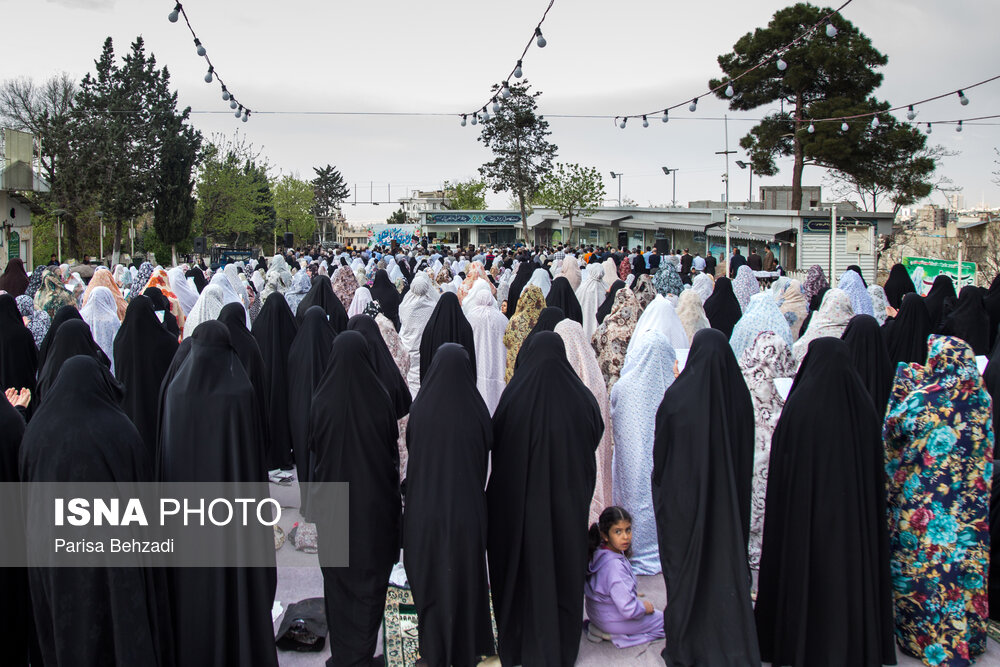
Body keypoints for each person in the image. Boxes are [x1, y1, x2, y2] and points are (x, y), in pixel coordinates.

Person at [756, 337, 895, 666]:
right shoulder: (863, 409)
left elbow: (781, 478)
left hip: (805, 525)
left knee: (810, 575)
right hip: (852, 531)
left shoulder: (799, 408)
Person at [487, 332, 602, 667]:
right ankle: (558, 643)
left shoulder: (515, 396)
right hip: (565, 505)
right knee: (563, 562)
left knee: (523, 566)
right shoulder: (579, 398)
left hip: (521, 507)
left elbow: (497, 437)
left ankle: (520, 639)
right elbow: (594, 430)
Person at [653, 328, 759, 665]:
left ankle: (689, 639)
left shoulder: (677, 399)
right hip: (728, 505)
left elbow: (662, 457)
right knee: (724, 561)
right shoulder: (739, 398)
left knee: (687, 568)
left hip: (685, 504)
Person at [884, 335, 992, 665]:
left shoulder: (923, 399)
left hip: (924, 506)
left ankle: (922, 637)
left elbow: (893, 432)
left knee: (925, 570)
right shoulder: (982, 399)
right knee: (963, 569)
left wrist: (904, 386)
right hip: (970, 509)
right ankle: (966, 637)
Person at [310, 331, 400, 667]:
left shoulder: (322, 399)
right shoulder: (379, 398)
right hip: (372, 509)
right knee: (370, 581)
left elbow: (314, 452)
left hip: (334, 509)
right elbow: (391, 457)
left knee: (338, 581)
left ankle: (345, 656)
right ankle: (361, 655)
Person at [403, 344, 496, 667]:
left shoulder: (423, 408)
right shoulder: (476, 408)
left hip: (426, 511)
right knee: (464, 578)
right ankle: (465, 647)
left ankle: (434, 650)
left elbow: (413, 449)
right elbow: (487, 447)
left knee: (431, 577)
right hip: (467, 512)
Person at [584, 507, 665, 647]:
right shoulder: (614, 567)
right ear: (605, 535)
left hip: (595, 614)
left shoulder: (599, 551)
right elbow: (628, 609)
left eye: (628, 530)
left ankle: (602, 629)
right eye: (618, 532)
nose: (625, 537)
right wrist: (644, 608)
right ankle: (613, 635)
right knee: (666, 623)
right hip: (610, 621)